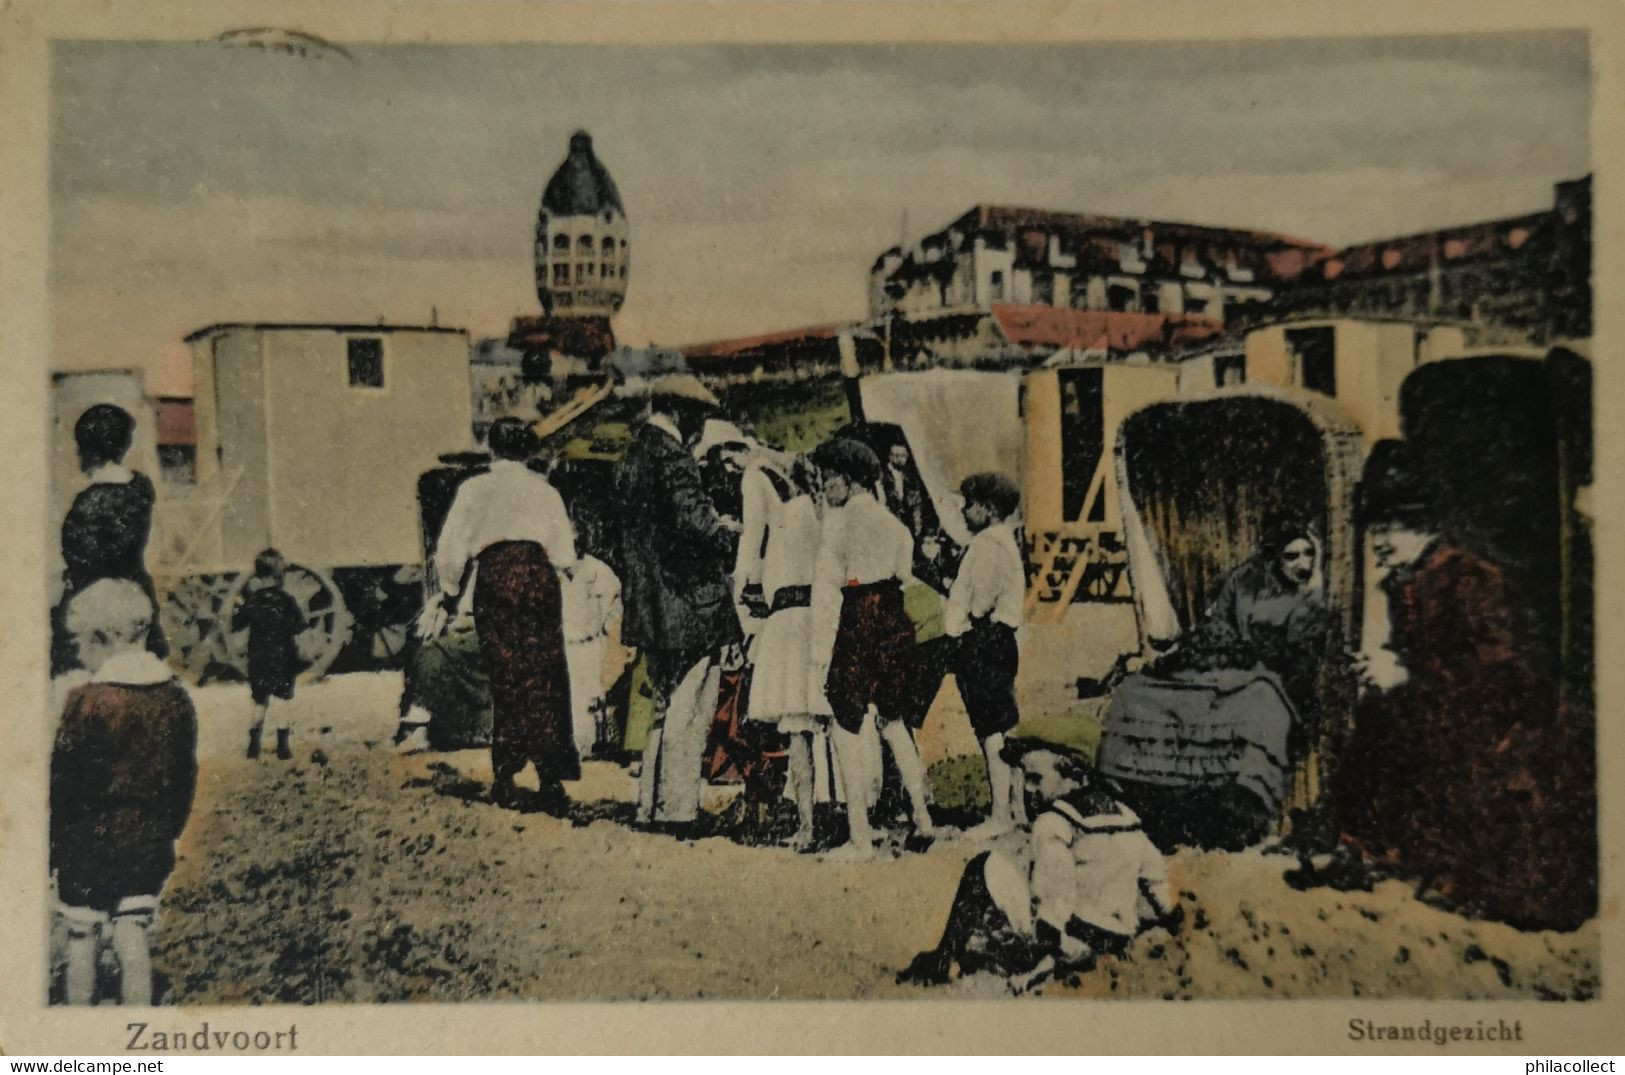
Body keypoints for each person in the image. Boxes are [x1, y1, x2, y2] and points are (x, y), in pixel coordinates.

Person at [1334, 442, 1587, 929]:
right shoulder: (1408, 581)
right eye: (1377, 529)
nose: (1382, 541)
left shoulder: (1468, 578)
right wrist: (1390, 665)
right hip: (1449, 709)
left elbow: (1502, 673)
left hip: (1506, 726)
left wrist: (1406, 675)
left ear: (1427, 526)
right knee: (1376, 722)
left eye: (1397, 527)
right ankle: (1372, 852)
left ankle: (1454, 875)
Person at [897, 740, 1178, 990]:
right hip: (1119, 935)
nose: (1028, 789)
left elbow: (1058, 889)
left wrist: (1049, 938)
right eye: (1025, 779)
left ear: (1075, 779)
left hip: (1070, 937)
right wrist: (1168, 915)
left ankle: (942, 958)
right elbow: (1153, 875)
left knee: (983, 865)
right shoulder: (1126, 815)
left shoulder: (1054, 822)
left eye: (1036, 779)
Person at [51, 579, 198, 1005]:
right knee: (132, 935)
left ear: (102, 638)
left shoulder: (87, 701)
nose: (78, 652)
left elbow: (66, 780)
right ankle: (138, 1026)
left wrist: (56, 844)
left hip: (88, 842)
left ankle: (79, 1032)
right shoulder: (175, 698)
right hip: (148, 841)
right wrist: (168, 830)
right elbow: (183, 775)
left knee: (81, 937)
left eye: (79, 642)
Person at [422, 417, 579, 812]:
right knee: (545, 672)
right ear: (528, 449)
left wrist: (448, 591)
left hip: (496, 579)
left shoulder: (474, 488)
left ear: (492, 449)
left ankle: (505, 778)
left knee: (506, 674)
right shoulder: (544, 490)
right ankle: (550, 778)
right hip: (538, 578)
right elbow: (565, 553)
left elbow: (451, 547)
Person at [614, 383, 741, 835]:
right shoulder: (673, 457)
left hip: (651, 604)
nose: (700, 429)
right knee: (691, 704)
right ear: (680, 413)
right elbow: (693, 523)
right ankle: (678, 809)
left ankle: (650, 804)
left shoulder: (634, 454)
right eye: (699, 419)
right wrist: (727, 532)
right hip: (688, 605)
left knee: (664, 707)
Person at [809, 437, 935, 858]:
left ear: (846, 480)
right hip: (894, 615)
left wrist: (820, 652)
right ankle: (922, 818)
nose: (825, 488)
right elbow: (904, 572)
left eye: (829, 479)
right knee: (894, 720)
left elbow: (827, 588)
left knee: (846, 722)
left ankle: (859, 838)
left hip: (858, 614)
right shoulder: (895, 525)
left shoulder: (838, 523)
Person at [735, 451, 830, 849]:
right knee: (825, 725)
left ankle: (807, 823)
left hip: (789, 622)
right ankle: (838, 810)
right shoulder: (824, 517)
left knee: (796, 729)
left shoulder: (787, 517)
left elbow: (759, 576)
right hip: (816, 618)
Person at [53, 404, 167, 675]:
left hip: (96, 601)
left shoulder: (88, 503)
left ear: (86, 448)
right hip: (135, 591)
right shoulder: (140, 488)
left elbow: (80, 560)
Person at [944, 473, 1027, 840]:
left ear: (990, 510)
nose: (964, 511)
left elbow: (979, 599)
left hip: (986, 638)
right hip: (1000, 639)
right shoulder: (1001, 540)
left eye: (970, 505)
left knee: (990, 727)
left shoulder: (988, 545)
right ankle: (1016, 808)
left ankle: (1001, 813)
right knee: (1003, 724)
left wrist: (963, 629)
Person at [231, 548, 304, 760]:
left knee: (259, 701)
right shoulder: (286, 601)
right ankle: (283, 747)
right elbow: (298, 626)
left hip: (258, 658)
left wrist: (238, 607)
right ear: (278, 576)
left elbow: (237, 624)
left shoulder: (253, 601)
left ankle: (254, 745)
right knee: (282, 701)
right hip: (282, 658)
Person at [561, 552, 623, 759]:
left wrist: (606, 631)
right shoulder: (551, 569)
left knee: (590, 697)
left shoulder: (599, 571)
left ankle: (589, 746)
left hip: (590, 644)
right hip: (562, 645)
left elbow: (615, 607)